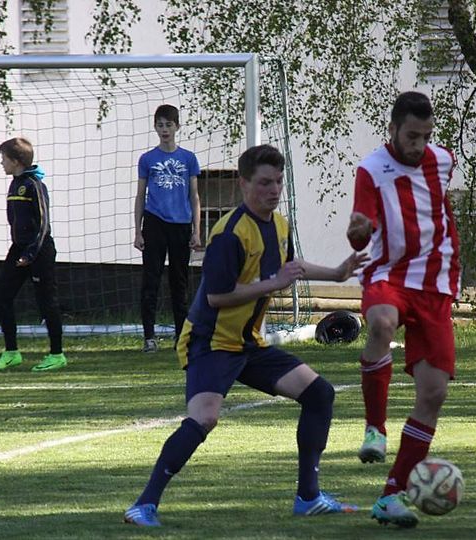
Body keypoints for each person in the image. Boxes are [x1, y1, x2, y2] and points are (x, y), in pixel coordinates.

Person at [123, 144, 368, 527]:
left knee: (319, 393)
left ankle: (308, 497)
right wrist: (273, 283)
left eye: (278, 182)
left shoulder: (279, 225)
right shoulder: (229, 234)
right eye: (265, 183)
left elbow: (291, 266)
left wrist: (337, 274)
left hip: (249, 343)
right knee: (205, 419)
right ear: (244, 184)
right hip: (211, 342)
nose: (274, 190)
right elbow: (218, 297)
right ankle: (144, 505)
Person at [346, 91, 460, 528]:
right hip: (389, 275)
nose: (419, 144)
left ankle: (391, 496)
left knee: (433, 394)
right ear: (392, 129)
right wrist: (359, 232)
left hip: (435, 286)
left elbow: (439, 211)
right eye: (412, 136)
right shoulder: (371, 169)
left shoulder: (443, 161)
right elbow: (360, 231)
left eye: (426, 136)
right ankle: (375, 429)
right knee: (381, 323)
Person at [0, 137, 67, 372]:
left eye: (4, 159)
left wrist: (30, 254)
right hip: (19, 249)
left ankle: (57, 354)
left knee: (47, 302)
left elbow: (43, 224)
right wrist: (20, 250)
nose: (1, 163)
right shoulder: (15, 184)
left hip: (39, 250)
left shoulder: (34, 184)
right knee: (2, 296)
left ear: (16, 161)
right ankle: (11, 352)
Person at [134, 105, 202, 352]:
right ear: (155, 127)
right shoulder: (147, 159)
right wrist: (138, 231)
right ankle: (149, 337)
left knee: (179, 282)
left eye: (169, 125)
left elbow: (194, 196)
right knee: (150, 280)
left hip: (181, 225)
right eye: (160, 125)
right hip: (154, 223)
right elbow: (140, 195)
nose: (164, 130)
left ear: (177, 127)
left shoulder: (188, 159)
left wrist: (196, 230)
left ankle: (181, 337)